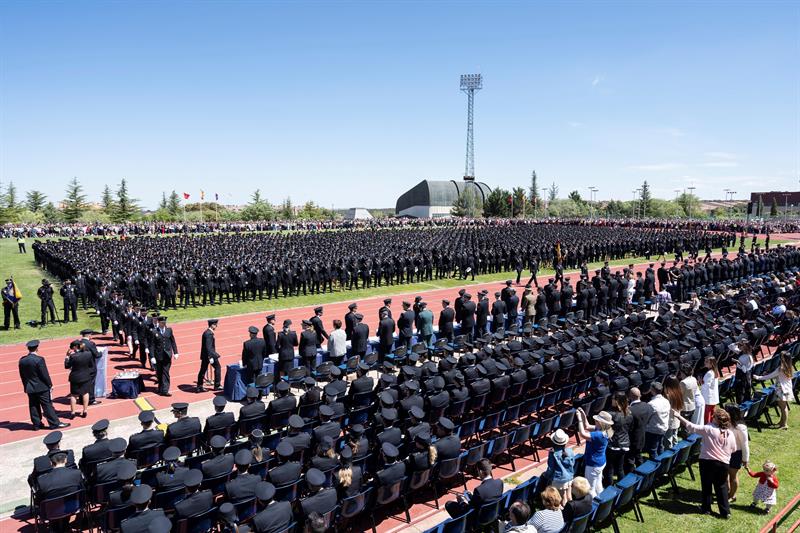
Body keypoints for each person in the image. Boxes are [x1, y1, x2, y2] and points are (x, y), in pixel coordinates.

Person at [672, 407, 737, 519]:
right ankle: (725, 512)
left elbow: (691, 427)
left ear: (717, 419)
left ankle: (706, 509)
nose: (712, 417)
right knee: (721, 487)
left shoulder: (709, 429)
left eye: (714, 416)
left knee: (706, 485)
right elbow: (734, 449)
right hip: (724, 464)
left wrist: (678, 416)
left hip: (708, 462)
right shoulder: (730, 433)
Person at [19, 340, 68, 430]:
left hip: (29, 387)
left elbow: (22, 375)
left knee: (33, 405)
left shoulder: (22, 360)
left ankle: (36, 424)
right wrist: (50, 384)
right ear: (37, 348)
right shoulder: (39, 359)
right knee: (47, 405)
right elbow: (44, 374)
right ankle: (54, 423)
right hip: (41, 387)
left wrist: (26, 386)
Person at [576, 408, 613, 497]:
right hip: (600, 462)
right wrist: (584, 416)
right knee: (598, 484)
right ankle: (602, 500)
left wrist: (579, 420)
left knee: (590, 488)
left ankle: (594, 507)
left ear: (600, 423)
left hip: (593, 464)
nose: (595, 421)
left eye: (596, 420)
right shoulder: (606, 430)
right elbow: (587, 427)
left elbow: (583, 434)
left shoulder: (599, 434)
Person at [753, 351, 793, 430]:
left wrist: (758, 377)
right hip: (786, 388)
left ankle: (784, 424)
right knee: (783, 407)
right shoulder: (789, 366)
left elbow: (770, 376)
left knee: (783, 407)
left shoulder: (781, 368)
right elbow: (779, 377)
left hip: (782, 389)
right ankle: (781, 422)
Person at [604, 392, 631, 487]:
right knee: (620, 468)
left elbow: (605, 429)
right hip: (625, 444)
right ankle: (622, 488)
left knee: (609, 468)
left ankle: (608, 489)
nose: (611, 400)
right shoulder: (629, 413)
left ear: (617, 401)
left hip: (614, 445)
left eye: (613, 399)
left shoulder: (611, 414)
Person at [724, 404, 749, 503]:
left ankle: (732, 495)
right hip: (725, 452)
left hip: (736, 453)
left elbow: (745, 444)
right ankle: (726, 492)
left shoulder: (740, 427)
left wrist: (745, 459)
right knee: (724, 474)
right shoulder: (725, 423)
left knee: (733, 475)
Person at [149, 316, 179, 396]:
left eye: (165, 322)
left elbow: (173, 341)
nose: (164, 324)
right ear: (158, 322)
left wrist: (176, 352)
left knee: (165, 372)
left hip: (167, 355)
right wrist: (152, 356)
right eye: (162, 323)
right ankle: (160, 387)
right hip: (158, 356)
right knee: (159, 373)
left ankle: (165, 390)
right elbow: (151, 345)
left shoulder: (169, 330)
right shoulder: (154, 331)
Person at [544, 429, 575, 503]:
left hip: (559, 480)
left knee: (561, 499)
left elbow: (551, 468)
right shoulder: (570, 451)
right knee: (569, 496)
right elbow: (573, 463)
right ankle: (573, 509)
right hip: (570, 477)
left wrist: (546, 475)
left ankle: (565, 513)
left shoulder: (553, 453)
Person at [64, 339, 93, 419]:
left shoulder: (73, 356)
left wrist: (67, 356)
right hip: (85, 376)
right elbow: (90, 365)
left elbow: (67, 366)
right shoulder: (88, 354)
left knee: (73, 395)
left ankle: (73, 412)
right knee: (85, 393)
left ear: (75, 347)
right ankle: (85, 410)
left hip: (75, 377)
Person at [625, 387, 652, 473]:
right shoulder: (647, 406)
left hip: (632, 439)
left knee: (630, 460)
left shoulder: (630, 410)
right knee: (638, 456)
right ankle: (642, 473)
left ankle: (630, 479)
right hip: (642, 437)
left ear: (629, 396)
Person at [197, 319, 222, 392]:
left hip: (205, 355)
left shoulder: (207, 332)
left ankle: (199, 386)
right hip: (209, 356)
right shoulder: (209, 334)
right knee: (218, 368)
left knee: (203, 370)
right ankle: (217, 385)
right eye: (215, 324)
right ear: (212, 325)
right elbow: (208, 347)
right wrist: (212, 356)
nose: (216, 326)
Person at [275, 319, 298, 384]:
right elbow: (296, 344)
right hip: (290, 355)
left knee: (282, 370)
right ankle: (289, 385)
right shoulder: (293, 334)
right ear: (289, 326)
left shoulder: (280, 334)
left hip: (283, 355)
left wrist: (281, 350)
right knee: (290, 371)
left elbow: (277, 346)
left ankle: (282, 384)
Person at [700, 356, 721, 424]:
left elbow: (706, 386)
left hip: (708, 397)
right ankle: (711, 425)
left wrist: (701, 382)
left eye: (706, 362)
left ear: (711, 363)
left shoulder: (709, 373)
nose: (704, 363)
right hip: (712, 396)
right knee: (711, 413)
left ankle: (707, 427)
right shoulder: (715, 371)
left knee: (707, 414)